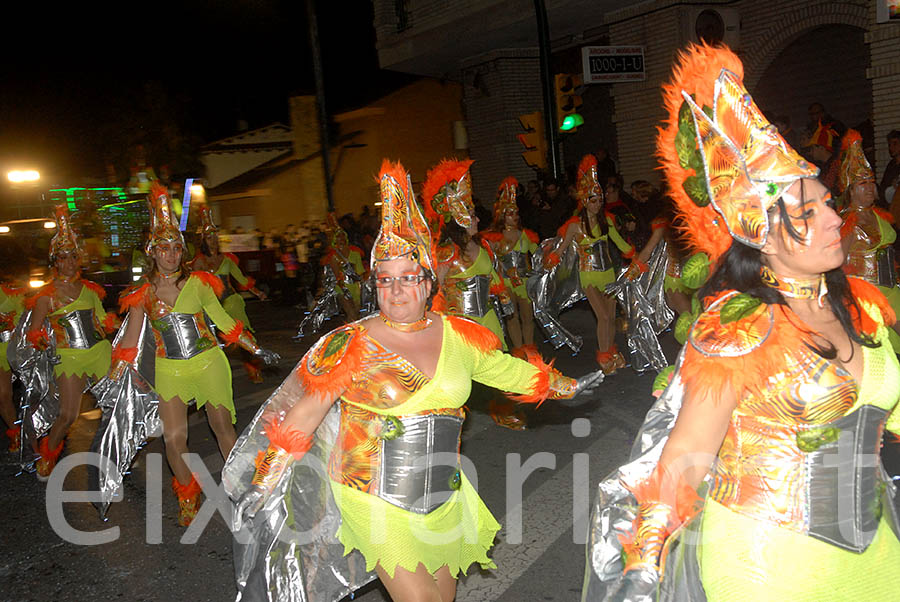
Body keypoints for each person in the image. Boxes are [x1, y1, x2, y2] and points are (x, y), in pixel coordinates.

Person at [584, 43, 900, 601]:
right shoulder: (736, 326)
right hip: (768, 562)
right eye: (809, 212)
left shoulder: (864, 308)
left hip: (876, 550)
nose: (833, 218)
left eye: (827, 202)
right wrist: (643, 567)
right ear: (763, 235)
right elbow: (684, 456)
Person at [225, 159, 603, 602]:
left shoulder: (458, 336)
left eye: (408, 278)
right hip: (373, 499)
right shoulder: (352, 343)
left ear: (428, 283)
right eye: (385, 280)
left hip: (443, 496)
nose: (397, 290)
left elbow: (505, 369)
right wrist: (263, 481)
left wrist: (564, 386)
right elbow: (305, 415)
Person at [108, 183, 279, 525]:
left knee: (222, 427)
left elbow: (226, 323)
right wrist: (116, 375)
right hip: (169, 370)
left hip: (208, 363)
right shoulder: (141, 294)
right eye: (164, 248)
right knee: (174, 437)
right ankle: (188, 492)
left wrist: (256, 349)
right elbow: (129, 339)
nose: (171, 254)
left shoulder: (199, 283)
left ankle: (244, 493)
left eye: (176, 248)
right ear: (152, 252)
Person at [424, 159, 524, 429]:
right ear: (458, 218)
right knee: (458, 378)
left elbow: (492, 276)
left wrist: (501, 293)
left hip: (488, 317)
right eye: (471, 211)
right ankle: (445, 421)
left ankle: (502, 409)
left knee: (500, 365)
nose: (478, 217)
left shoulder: (483, 245)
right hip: (460, 326)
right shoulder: (447, 253)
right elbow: (432, 289)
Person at [25, 205, 116, 479]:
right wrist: (41, 342)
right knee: (68, 415)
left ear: (79, 260)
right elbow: (34, 330)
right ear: (55, 261)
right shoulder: (46, 295)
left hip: (99, 351)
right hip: (69, 357)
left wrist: (131, 319)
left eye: (72, 257)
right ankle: (48, 454)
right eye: (62, 258)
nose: (68, 262)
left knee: (114, 405)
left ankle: (117, 453)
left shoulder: (90, 290)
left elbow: (103, 322)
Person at [555, 155, 636, 375]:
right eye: (593, 199)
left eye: (600, 199)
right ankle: (603, 355)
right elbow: (561, 251)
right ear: (584, 200)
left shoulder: (606, 220)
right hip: (588, 276)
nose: (598, 203)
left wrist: (635, 257)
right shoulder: (574, 226)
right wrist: (550, 263)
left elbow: (620, 244)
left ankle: (611, 350)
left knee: (611, 317)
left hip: (608, 274)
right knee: (604, 316)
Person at [188, 206, 270, 383]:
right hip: (210, 308)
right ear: (203, 240)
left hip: (231, 302)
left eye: (214, 237)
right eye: (209, 238)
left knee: (244, 334)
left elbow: (241, 279)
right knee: (208, 342)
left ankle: (254, 368)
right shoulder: (199, 262)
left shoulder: (227, 259)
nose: (213, 241)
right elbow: (193, 288)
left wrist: (257, 292)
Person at [836, 129, 900, 352]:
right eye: (863, 184)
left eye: (871, 183)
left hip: (891, 286)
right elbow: (836, 263)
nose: (870, 189)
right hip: (869, 295)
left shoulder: (879, 214)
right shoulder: (847, 222)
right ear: (850, 190)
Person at [481, 177, 539, 352]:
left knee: (528, 317)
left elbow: (539, 254)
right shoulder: (493, 238)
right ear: (502, 215)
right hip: (505, 283)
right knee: (512, 317)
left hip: (524, 282)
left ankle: (529, 349)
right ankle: (519, 350)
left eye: (516, 213)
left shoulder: (526, 235)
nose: (515, 216)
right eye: (510, 213)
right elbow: (488, 262)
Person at [0, 281, 27, 452]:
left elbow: (24, 322)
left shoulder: (13, 295)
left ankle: (38, 430)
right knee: (3, 394)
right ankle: (15, 432)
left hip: (17, 349)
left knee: (34, 392)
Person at [881, 129, 900, 208]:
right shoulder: (891, 165)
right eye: (889, 145)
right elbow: (883, 186)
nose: (891, 148)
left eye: (895, 144)